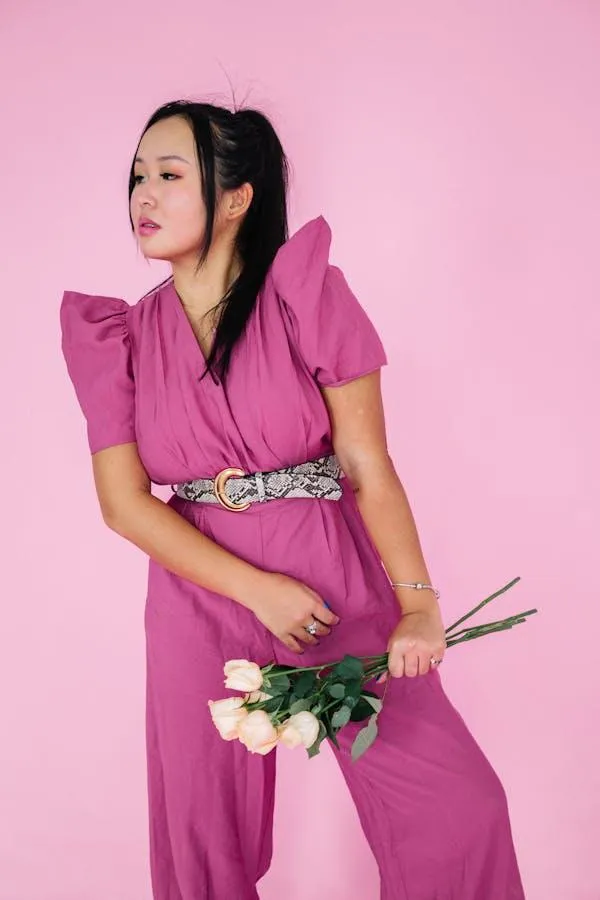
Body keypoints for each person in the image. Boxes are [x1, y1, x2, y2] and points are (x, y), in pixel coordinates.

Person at [60, 99, 525, 900]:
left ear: (237, 197)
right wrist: (254, 590)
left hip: (329, 574)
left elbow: (366, 463)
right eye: (139, 175)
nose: (144, 194)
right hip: (196, 589)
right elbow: (124, 503)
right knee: (200, 833)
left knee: (456, 811)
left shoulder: (303, 293)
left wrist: (417, 604)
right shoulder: (120, 338)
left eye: (171, 175)